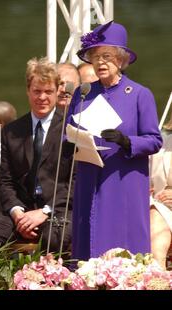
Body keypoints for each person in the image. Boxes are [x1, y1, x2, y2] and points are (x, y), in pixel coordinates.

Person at [0, 57, 74, 258]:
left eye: (48, 92)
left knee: (54, 239)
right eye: (37, 91)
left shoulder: (71, 128)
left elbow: (74, 182)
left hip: (57, 211)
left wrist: (44, 212)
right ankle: (6, 281)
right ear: (28, 91)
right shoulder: (12, 131)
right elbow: (5, 181)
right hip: (21, 213)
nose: (42, 97)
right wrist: (17, 212)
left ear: (58, 92)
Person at [68, 21, 162, 260]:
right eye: (95, 56)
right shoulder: (84, 92)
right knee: (86, 250)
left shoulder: (140, 94)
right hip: (89, 177)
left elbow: (154, 140)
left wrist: (127, 141)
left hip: (123, 180)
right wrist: (76, 139)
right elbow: (68, 130)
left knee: (122, 247)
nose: (100, 62)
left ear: (120, 60)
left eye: (107, 56)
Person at [149, 134, 172, 269]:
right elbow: (150, 180)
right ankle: (157, 276)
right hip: (160, 205)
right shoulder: (161, 142)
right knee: (155, 211)